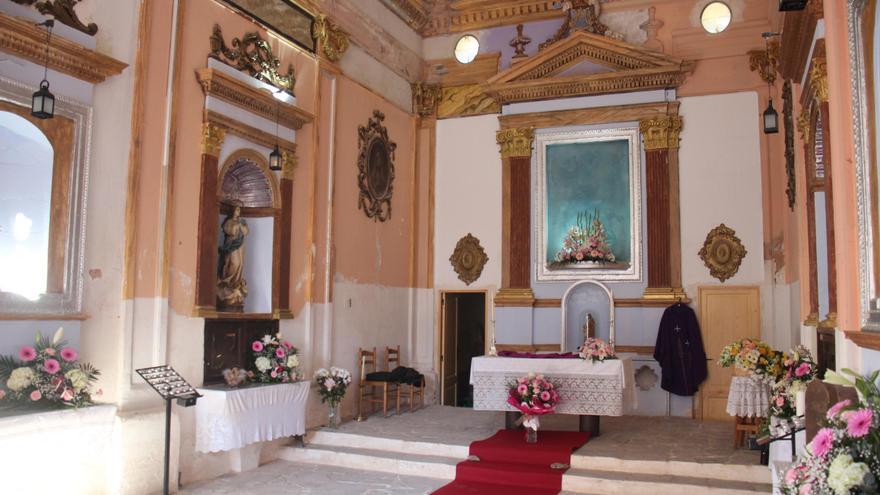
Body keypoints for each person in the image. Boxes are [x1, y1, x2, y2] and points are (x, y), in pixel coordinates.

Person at [217, 203, 248, 309]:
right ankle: (227, 282)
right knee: (235, 263)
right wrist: (236, 226)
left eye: (239, 210)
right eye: (237, 209)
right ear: (233, 211)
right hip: (232, 245)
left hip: (240, 245)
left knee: (241, 264)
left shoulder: (242, 221)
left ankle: (236, 284)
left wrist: (241, 227)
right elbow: (229, 230)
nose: (238, 211)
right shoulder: (228, 221)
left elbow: (246, 232)